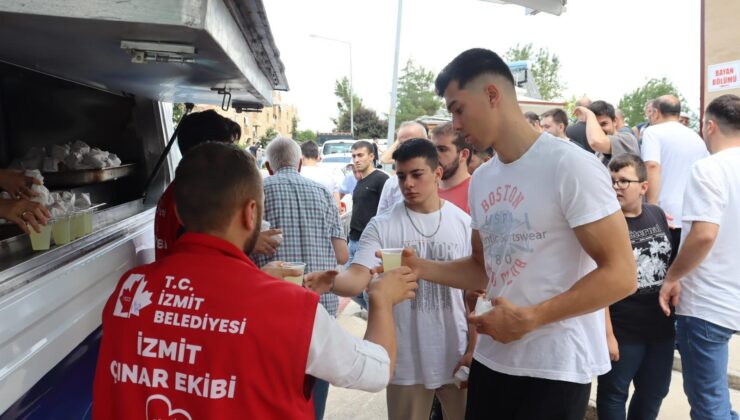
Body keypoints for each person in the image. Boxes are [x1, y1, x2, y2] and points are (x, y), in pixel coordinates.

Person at [93, 142, 419, 419]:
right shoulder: (290, 308)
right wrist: (381, 300)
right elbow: (376, 370)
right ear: (251, 214)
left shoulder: (130, 291)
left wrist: (261, 282)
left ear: (178, 213)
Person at [405, 48, 636, 420]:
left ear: (493, 95)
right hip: (492, 360)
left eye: (458, 108)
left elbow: (622, 275)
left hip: (554, 368)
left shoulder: (570, 166)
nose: (455, 123)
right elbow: (485, 268)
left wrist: (532, 318)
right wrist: (420, 268)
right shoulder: (483, 179)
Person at [306, 139, 472, 420]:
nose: (408, 183)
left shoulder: (464, 223)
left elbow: (473, 296)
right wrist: (332, 282)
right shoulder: (382, 224)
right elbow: (359, 278)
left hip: (455, 353)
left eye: (416, 174)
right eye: (401, 175)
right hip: (405, 357)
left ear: (437, 174)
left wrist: (473, 347)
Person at [251, 137, 349, 419]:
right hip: (320, 309)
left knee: (274, 394)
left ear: (268, 166)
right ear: (300, 163)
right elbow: (342, 255)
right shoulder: (322, 192)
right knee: (314, 390)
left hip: (273, 309)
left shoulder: (257, 193)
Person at [659, 94, 740, 420]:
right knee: (717, 400)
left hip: (708, 302)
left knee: (709, 404)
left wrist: (672, 276)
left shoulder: (709, 169)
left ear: (709, 126)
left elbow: (704, 234)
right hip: (730, 295)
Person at [597, 154, 674, 420]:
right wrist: (607, 334)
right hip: (623, 328)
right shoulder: (605, 224)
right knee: (614, 393)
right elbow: (599, 281)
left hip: (660, 328)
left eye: (624, 181)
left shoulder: (656, 214)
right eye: (612, 180)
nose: (616, 186)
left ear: (643, 186)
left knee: (655, 391)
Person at [154, 110, 247, 259]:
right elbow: (202, 258)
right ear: (206, 153)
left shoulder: (178, 188)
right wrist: (247, 243)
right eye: (226, 150)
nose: (230, 159)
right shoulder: (195, 196)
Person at [641, 95, 708, 253]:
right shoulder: (696, 138)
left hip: (665, 215)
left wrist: (652, 208)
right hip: (692, 214)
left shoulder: (653, 132)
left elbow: (652, 165)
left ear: (656, 113)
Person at [347, 140, 388, 309]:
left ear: (371, 156)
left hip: (370, 244)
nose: (356, 159)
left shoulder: (381, 179)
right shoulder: (360, 181)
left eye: (360, 155)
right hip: (354, 241)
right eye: (354, 156)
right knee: (350, 287)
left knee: (368, 291)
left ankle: (376, 319)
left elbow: (388, 211)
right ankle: (373, 315)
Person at [377, 121, 429, 214]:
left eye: (413, 142)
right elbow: (381, 220)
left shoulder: (441, 179)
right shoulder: (391, 184)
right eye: (402, 144)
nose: (407, 148)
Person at [574, 100, 640, 166]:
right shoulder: (599, 152)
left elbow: (596, 142)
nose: (599, 129)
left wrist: (588, 114)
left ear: (614, 121)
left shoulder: (627, 139)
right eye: (596, 125)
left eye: (604, 124)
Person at [299, 140, 341, 206]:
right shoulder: (330, 176)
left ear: (301, 156)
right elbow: (337, 207)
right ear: (318, 156)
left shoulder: (298, 174)